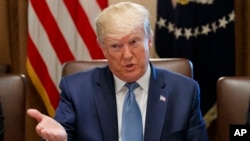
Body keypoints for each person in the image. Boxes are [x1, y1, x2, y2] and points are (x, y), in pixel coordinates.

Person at [27, 2, 208, 141]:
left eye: (134, 42)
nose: (127, 55)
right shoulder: (76, 89)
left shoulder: (185, 91)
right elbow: (64, 133)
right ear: (103, 48)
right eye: (116, 46)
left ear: (149, 40)